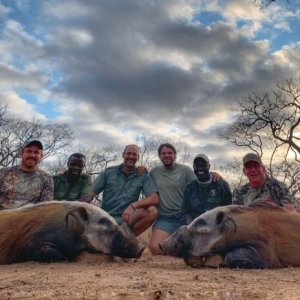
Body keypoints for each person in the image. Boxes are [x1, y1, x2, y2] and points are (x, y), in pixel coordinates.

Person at [92, 144, 159, 236]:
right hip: (105, 218)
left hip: (127, 219)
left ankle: (127, 240)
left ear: (138, 157)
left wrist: (133, 205)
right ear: (123, 155)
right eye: (129, 153)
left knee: (152, 211)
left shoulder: (143, 175)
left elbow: (154, 198)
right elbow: (90, 192)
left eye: (134, 154)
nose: (131, 157)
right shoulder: (108, 172)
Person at [0, 140, 53, 210]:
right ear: (21, 154)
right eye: (29, 151)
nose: (32, 155)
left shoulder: (47, 178)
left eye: (36, 152)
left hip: (29, 219)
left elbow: (45, 208)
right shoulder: (3, 172)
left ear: (41, 157)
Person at [181, 153, 232, 224]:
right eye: (197, 165)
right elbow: (185, 212)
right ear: (193, 167)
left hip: (216, 228)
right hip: (194, 228)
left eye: (203, 165)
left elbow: (228, 210)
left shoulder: (221, 185)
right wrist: (191, 226)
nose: (200, 168)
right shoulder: (189, 188)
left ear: (209, 166)